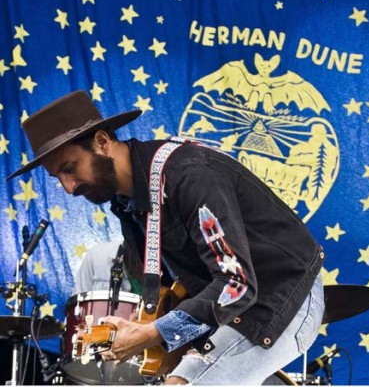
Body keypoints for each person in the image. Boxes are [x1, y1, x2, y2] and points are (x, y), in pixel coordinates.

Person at [6, 90, 325, 385]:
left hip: (285, 294)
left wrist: (152, 333)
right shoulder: (127, 203)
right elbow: (176, 287)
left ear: (102, 141)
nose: (68, 187)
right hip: (233, 308)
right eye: (57, 177)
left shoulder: (188, 175)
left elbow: (237, 284)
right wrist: (141, 329)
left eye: (70, 168)